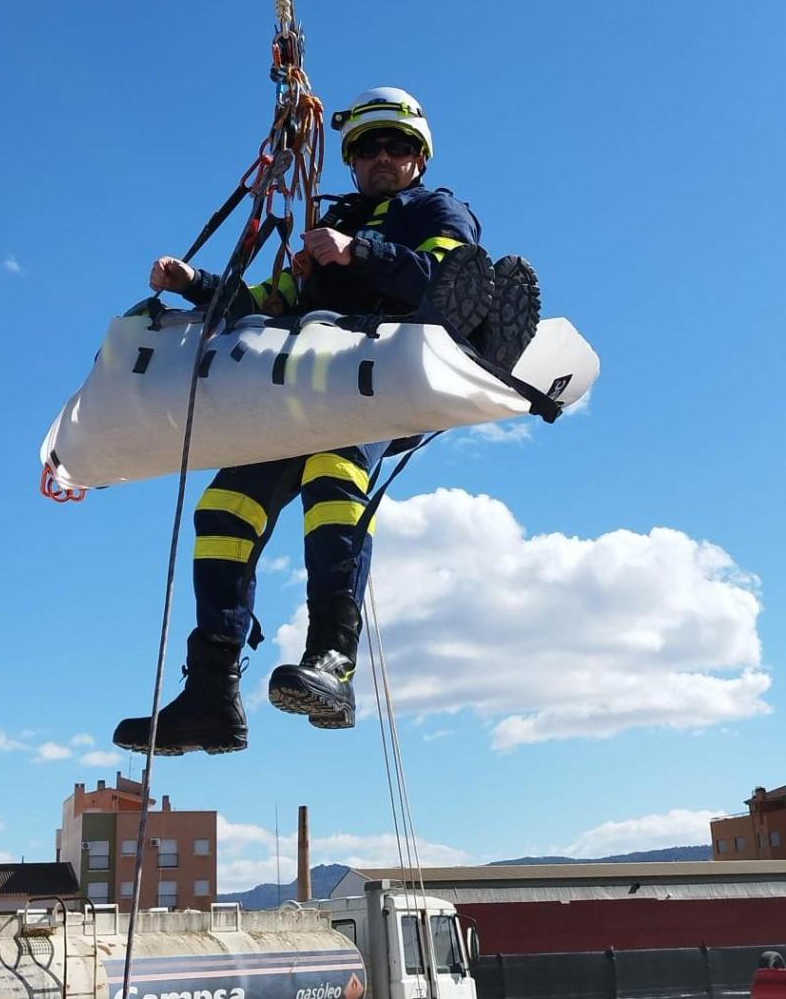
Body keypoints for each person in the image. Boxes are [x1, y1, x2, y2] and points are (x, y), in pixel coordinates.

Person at [112, 87, 540, 756]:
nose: (381, 157)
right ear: (350, 158)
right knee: (223, 509)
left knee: (332, 478)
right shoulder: (327, 223)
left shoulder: (432, 208)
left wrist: (358, 253)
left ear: (419, 157)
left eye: (396, 146)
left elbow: (445, 276)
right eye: (367, 147)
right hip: (295, 386)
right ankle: (210, 695)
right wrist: (193, 282)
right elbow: (271, 300)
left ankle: (331, 663)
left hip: (375, 375)